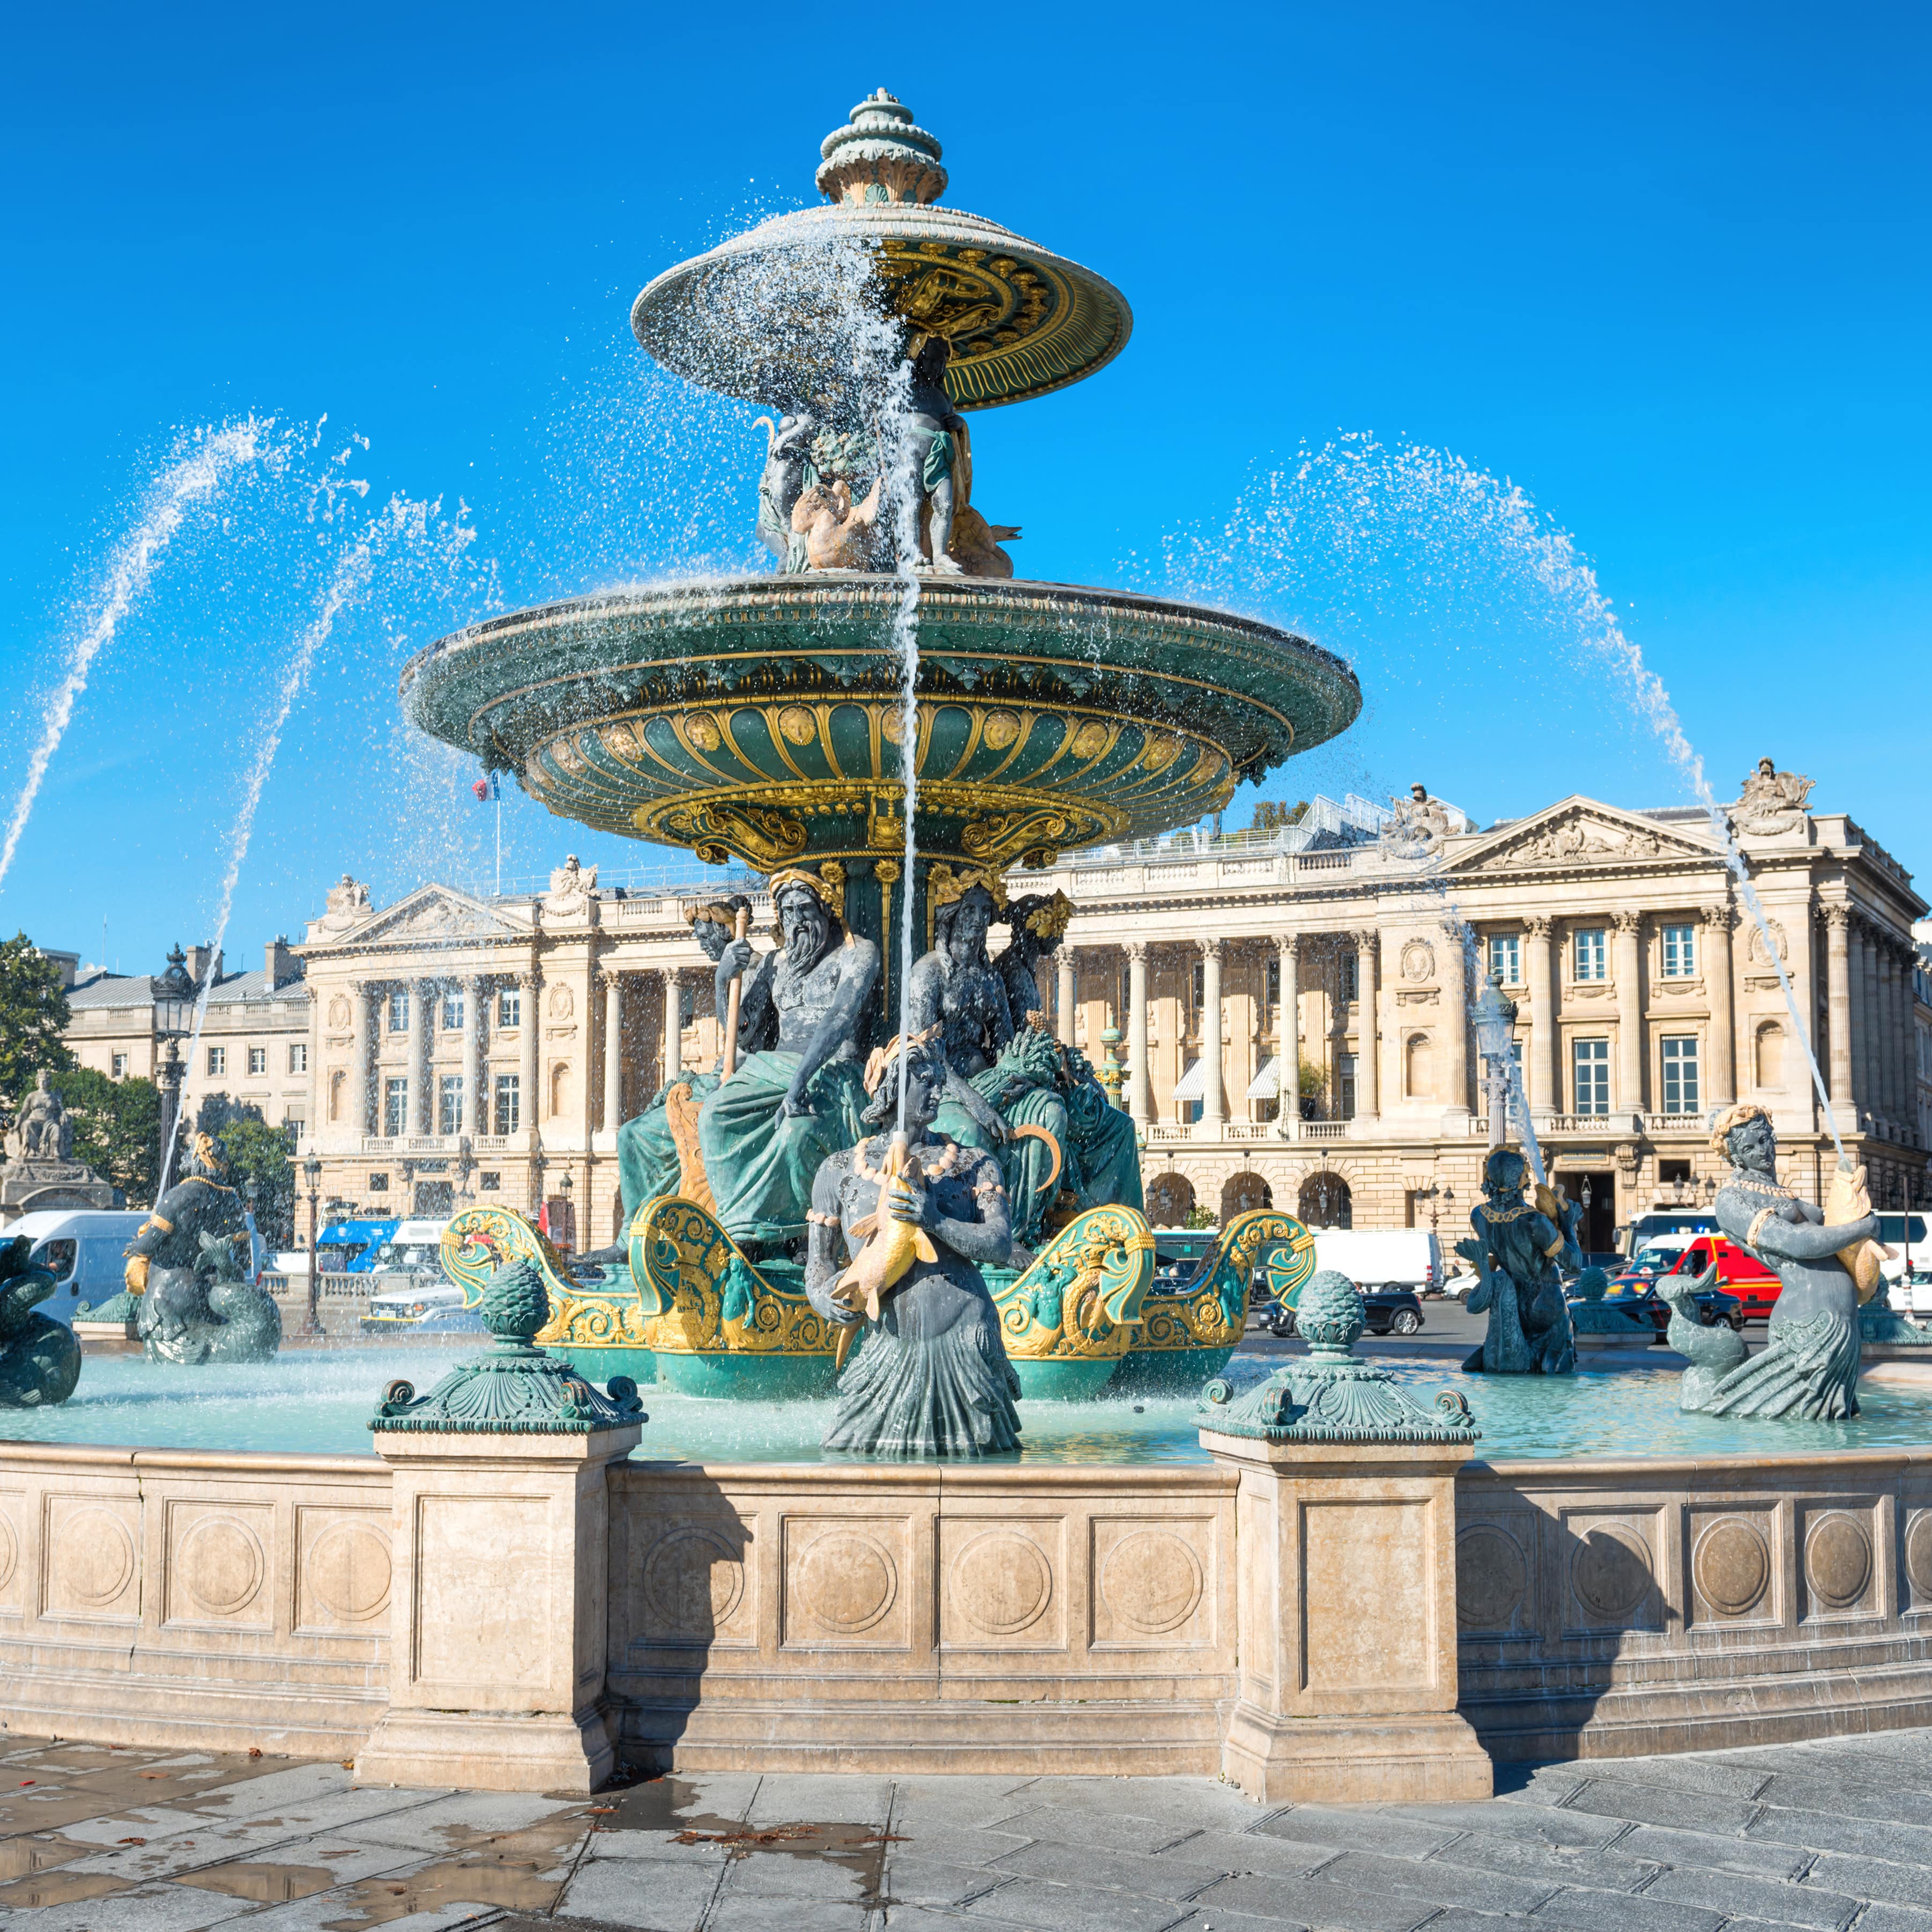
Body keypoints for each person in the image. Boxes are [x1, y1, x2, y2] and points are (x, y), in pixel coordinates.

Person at [805, 1028, 1021, 1459]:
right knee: (852, 1455)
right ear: (890, 1087)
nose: (938, 1087)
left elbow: (999, 1244)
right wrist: (821, 1296)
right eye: (924, 1077)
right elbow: (818, 1263)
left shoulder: (973, 1162)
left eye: (938, 1077)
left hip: (966, 1340)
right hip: (888, 1345)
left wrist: (934, 1218)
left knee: (981, 1469)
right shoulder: (838, 1170)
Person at [697, 870, 879, 1247]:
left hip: (830, 1070)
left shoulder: (857, 953)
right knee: (713, 1117)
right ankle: (740, 1224)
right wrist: (722, 978)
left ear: (826, 910)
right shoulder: (775, 964)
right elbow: (744, 1031)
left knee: (797, 1134)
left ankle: (793, 1234)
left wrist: (799, 1083)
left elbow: (839, 1018)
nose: (796, 921)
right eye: (787, 912)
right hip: (773, 1069)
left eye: (804, 908)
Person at [1666, 1103, 1875, 1420]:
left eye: (1764, 1140)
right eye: (1749, 1148)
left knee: (1829, 1422)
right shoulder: (1733, 1199)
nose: (1761, 1152)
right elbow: (1797, 1243)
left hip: (1840, 1320)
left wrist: (1849, 1194)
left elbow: (1830, 1224)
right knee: (1801, 1424)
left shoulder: (1781, 1192)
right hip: (1809, 1324)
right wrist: (1865, 1226)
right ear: (1735, 1155)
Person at [611, 895, 756, 1234]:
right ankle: (635, 1233)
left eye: (709, 937)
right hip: (719, 1078)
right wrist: (722, 977)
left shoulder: (758, 969)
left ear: (728, 931)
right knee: (631, 1134)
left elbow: (745, 1035)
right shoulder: (730, 970)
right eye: (700, 939)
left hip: (742, 1080)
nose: (705, 946)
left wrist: (724, 979)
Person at [1458, 1147, 1580, 1375]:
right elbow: (1573, 1263)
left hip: (1512, 1302)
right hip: (1545, 1303)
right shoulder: (1534, 1221)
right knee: (1558, 1361)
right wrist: (1567, 1223)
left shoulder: (1478, 1216)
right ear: (1523, 1179)